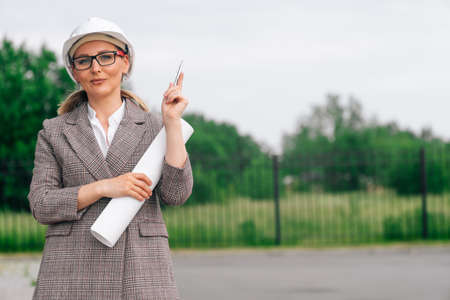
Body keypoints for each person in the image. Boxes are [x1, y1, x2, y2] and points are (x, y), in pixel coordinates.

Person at [27, 17, 193, 299]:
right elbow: (41, 204)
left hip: (139, 272)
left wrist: (172, 124)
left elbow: (176, 194)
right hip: (70, 271)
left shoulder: (155, 127)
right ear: (74, 72)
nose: (96, 68)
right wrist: (104, 187)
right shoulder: (54, 132)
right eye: (84, 61)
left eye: (106, 57)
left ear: (125, 63)